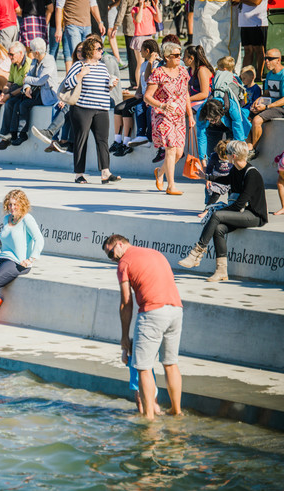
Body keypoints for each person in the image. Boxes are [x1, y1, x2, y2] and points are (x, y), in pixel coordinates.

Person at [102, 234, 183, 421]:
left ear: (120, 244)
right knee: (170, 363)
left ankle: (148, 418)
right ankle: (176, 411)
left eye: (111, 253)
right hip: (176, 310)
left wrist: (124, 337)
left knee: (144, 368)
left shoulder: (125, 263)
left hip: (152, 313)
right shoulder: (155, 253)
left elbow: (126, 302)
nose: (113, 259)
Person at [178, 140, 268, 282]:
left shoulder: (252, 174)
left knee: (216, 215)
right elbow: (225, 179)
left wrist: (219, 211)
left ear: (233, 156)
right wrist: (206, 177)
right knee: (218, 229)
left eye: (226, 153)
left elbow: (238, 205)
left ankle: (196, 253)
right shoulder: (236, 170)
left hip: (254, 215)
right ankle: (221, 271)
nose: (225, 156)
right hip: (242, 213)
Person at [0, 190, 43, 317]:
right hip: (2, 258)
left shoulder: (27, 219)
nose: (12, 207)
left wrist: (31, 259)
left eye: (15, 204)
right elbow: (8, 239)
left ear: (22, 204)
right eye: (10, 204)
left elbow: (39, 239)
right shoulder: (7, 219)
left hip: (18, 262)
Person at [65, 37, 120, 184]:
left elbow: (104, 87)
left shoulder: (102, 67)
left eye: (101, 48)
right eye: (99, 49)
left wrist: (111, 85)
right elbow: (67, 83)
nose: (102, 51)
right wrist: (80, 75)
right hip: (82, 109)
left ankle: (105, 172)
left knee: (102, 140)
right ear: (90, 51)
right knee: (81, 140)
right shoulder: (78, 65)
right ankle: (79, 174)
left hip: (101, 108)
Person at [145, 42, 194, 195]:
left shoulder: (183, 72)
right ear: (166, 57)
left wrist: (190, 114)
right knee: (171, 149)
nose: (180, 58)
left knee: (179, 152)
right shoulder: (158, 73)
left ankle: (160, 171)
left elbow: (185, 94)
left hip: (179, 116)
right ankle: (171, 185)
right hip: (163, 115)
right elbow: (147, 97)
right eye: (176, 55)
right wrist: (162, 105)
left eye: (180, 54)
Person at [248, 49, 283, 159]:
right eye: (265, 58)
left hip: (280, 107)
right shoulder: (269, 75)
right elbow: (267, 93)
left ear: (278, 60)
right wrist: (258, 101)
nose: (267, 61)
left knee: (257, 120)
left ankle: (253, 150)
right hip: (271, 106)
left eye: (270, 59)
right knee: (247, 117)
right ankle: (248, 146)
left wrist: (267, 106)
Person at [54, 0, 106, 73]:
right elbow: (59, 7)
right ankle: (77, 77)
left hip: (87, 25)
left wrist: (100, 22)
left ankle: (88, 77)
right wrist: (58, 29)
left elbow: (93, 5)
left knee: (89, 54)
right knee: (78, 54)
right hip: (72, 24)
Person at [129, 0, 161, 90]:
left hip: (149, 36)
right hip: (139, 37)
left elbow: (159, 19)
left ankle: (149, 81)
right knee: (140, 63)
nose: (147, 2)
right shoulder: (135, 9)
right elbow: (138, 19)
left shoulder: (150, 9)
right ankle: (139, 85)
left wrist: (156, 6)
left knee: (152, 60)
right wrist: (141, 6)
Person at [198, 139, 231, 218]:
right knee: (215, 194)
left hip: (229, 176)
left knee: (232, 194)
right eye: (221, 158)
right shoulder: (214, 156)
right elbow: (209, 168)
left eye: (226, 158)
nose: (224, 160)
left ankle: (231, 209)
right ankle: (207, 210)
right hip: (218, 176)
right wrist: (208, 179)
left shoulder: (232, 155)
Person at [237, 0, 268, 82]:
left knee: (258, 50)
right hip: (244, 23)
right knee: (248, 50)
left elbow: (256, 2)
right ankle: (244, 76)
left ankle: (258, 76)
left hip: (257, 22)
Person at [183, 44, 214, 112]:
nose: (182, 59)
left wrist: (187, 99)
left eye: (184, 57)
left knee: (183, 111)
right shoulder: (189, 70)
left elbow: (204, 94)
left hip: (205, 101)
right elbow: (187, 90)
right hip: (193, 99)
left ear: (191, 58)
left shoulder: (202, 70)